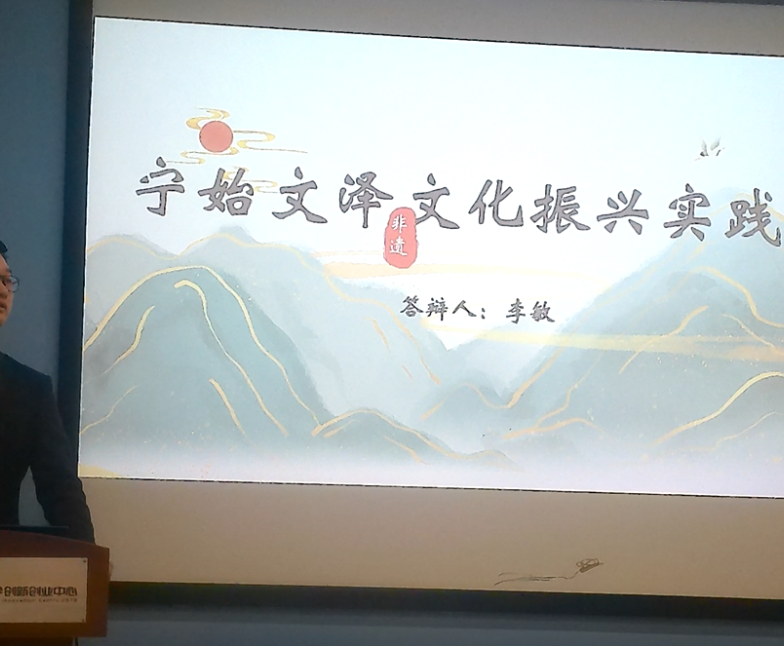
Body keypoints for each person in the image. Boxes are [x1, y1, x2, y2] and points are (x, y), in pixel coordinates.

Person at [0, 239, 95, 542]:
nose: (3, 290)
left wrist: (87, 558)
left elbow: (60, 489)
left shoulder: (29, 389)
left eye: (6, 280)